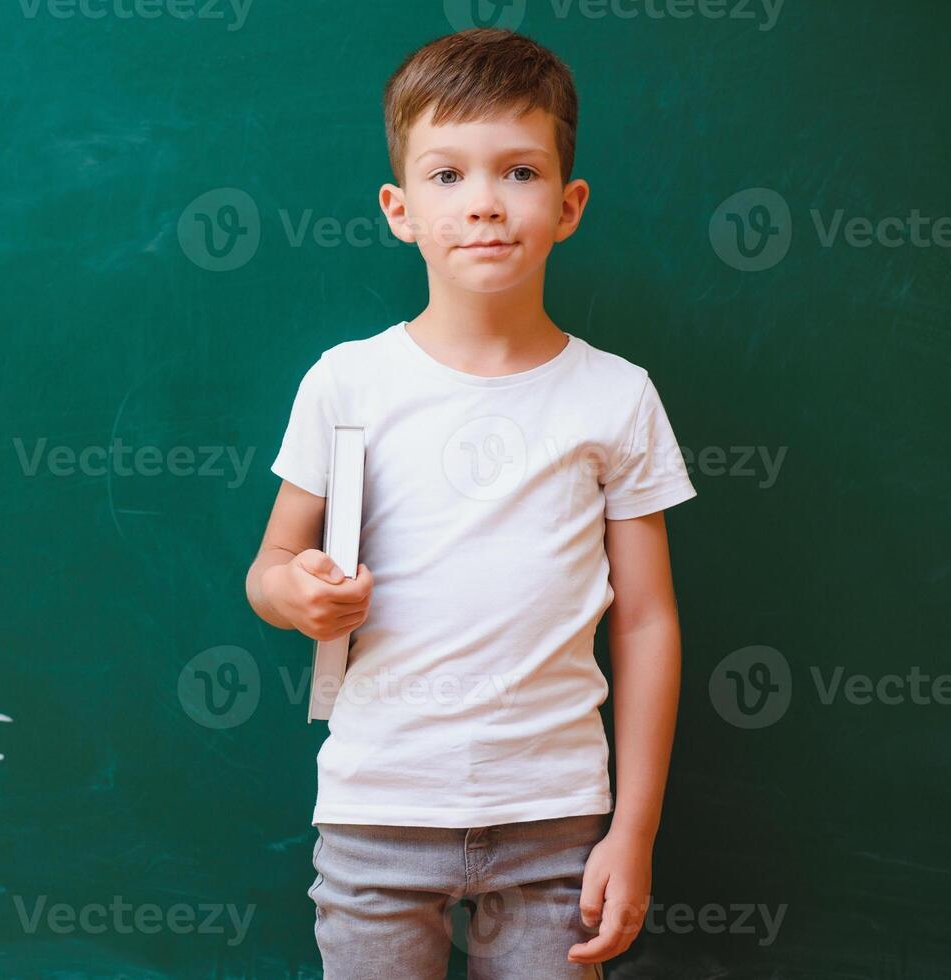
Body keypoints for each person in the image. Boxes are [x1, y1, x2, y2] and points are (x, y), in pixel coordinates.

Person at [244, 27, 698, 979]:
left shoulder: (616, 396)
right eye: (447, 176)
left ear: (569, 204)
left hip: (558, 825)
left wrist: (635, 831)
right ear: (398, 207)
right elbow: (270, 568)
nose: (485, 204)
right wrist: (299, 596)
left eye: (520, 172)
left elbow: (649, 621)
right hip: (378, 813)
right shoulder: (347, 382)